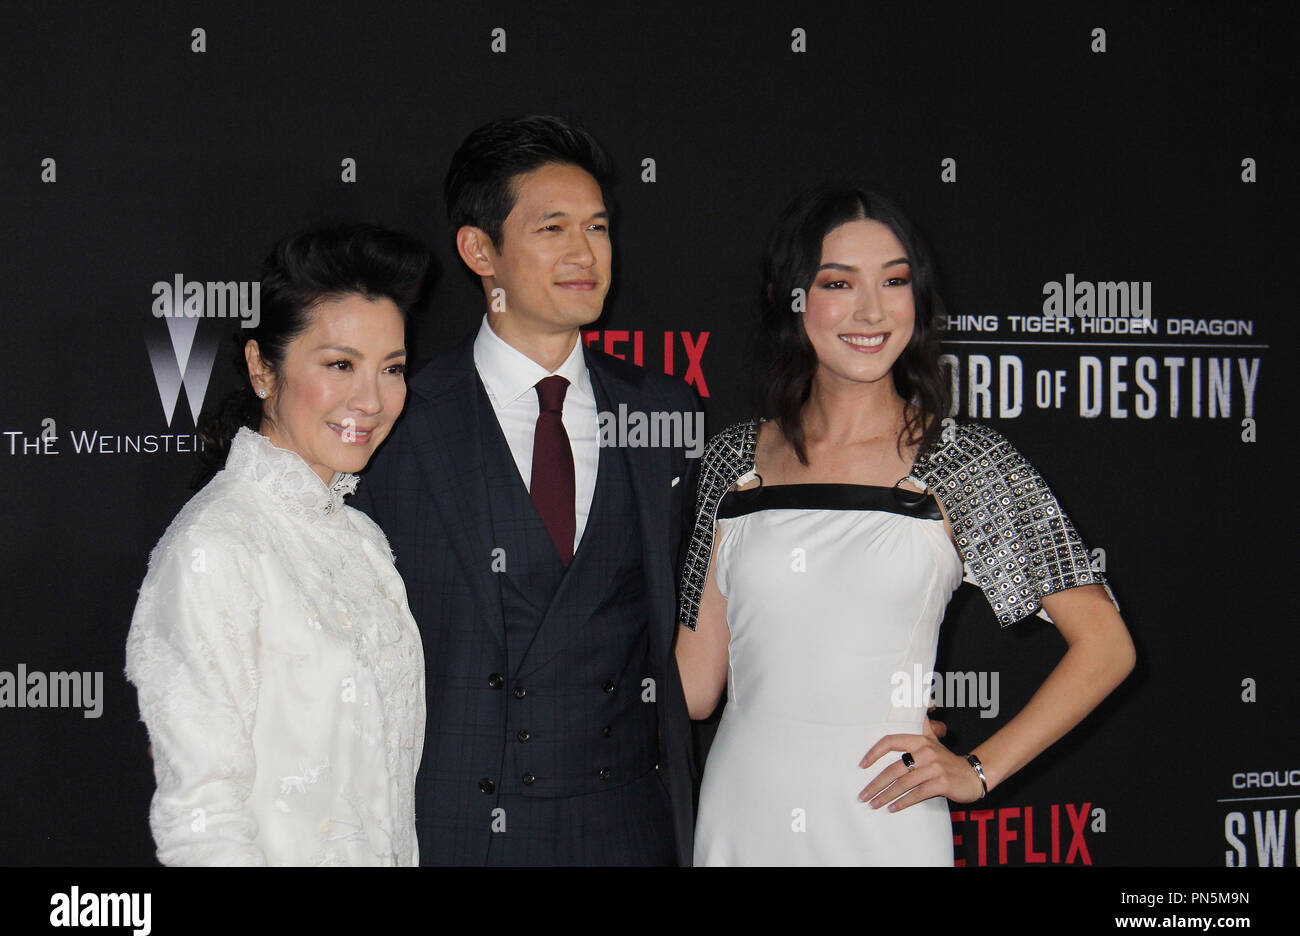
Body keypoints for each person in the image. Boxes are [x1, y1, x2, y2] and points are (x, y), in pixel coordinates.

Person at [675, 184, 1136, 866]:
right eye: (838, 282)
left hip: (882, 822)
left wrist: (978, 770)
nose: (870, 310)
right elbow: (694, 685)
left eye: (894, 281)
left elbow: (1107, 646)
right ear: (791, 297)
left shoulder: (963, 462)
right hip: (741, 820)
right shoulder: (735, 459)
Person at [350, 116, 702, 865]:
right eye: (553, 228)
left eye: (598, 228)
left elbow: (714, 615)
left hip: (629, 828)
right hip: (457, 825)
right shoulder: (396, 419)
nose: (585, 254)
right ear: (481, 250)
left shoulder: (666, 415)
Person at [125, 223, 431, 866]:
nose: (371, 399)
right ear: (264, 368)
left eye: (393, 368)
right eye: (340, 364)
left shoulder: (361, 538)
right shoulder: (215, 548)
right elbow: (201, 821)